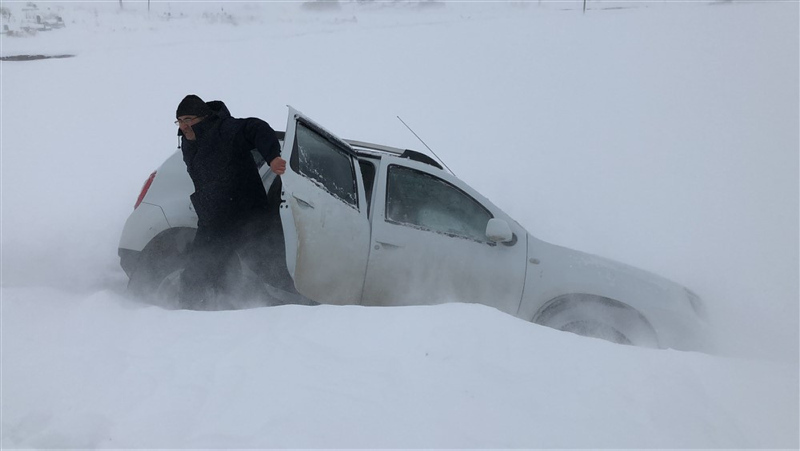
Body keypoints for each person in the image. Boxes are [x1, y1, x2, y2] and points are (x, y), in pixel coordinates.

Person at [175, 94, 288, 308]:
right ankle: (191, 316)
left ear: (203, 118)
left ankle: (295, 313)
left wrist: (272, 157)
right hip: (213, 220)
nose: (184, 125)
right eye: (179, 120)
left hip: (246, 216)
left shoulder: (224, 130)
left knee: (269, 272)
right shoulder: (188, 142)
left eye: (188, 119)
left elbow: (257, 128)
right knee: (197, 272)